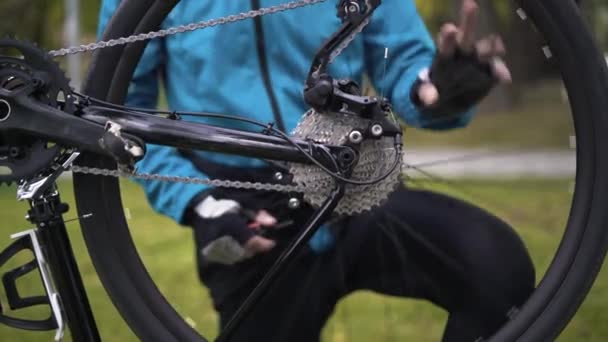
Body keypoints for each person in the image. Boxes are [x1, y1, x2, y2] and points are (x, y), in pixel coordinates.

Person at [97, 0, 535, 341]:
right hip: (248, 213)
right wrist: (198, 202)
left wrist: (438, 87)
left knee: (496, 266)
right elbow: (120, 117)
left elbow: (403, 62)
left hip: (352, 182)